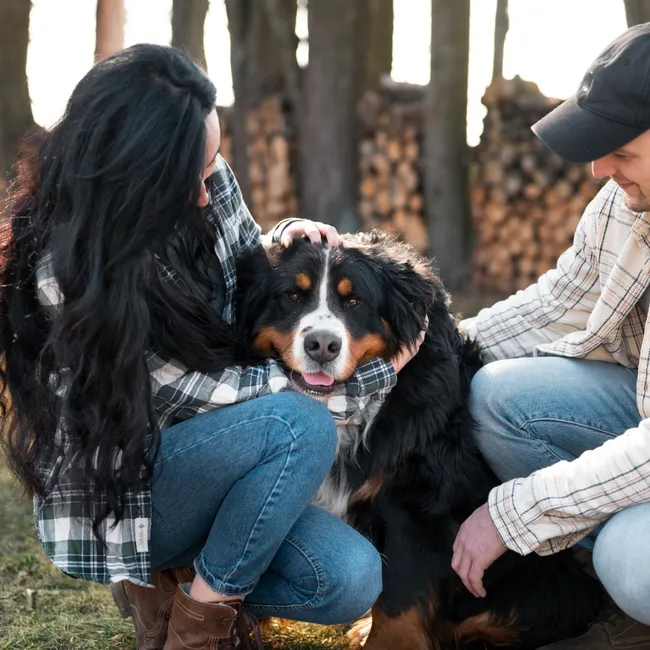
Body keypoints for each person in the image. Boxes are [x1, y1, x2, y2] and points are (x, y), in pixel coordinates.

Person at [0, 44, 425, 650]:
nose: (207, 192)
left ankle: (178, 592)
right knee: (301, 422)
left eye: (211, 166)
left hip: (222, 462)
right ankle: (200, 625)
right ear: (131, 172)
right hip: (134, 494)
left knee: (349, 579)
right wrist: (372, 378)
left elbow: (245, 266)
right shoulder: (65, 273)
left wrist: (287, 238)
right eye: (188, 179)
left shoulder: (202, 176)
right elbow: (206, 396)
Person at [452, 23, 650, 649]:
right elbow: (559, 302)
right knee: (499, 398)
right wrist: (437, 346)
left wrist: (517, 513)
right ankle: (604, 577)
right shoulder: (626, 201)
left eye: (619, 147)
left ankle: (627, 586)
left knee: (633, 560)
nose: (598, 168)